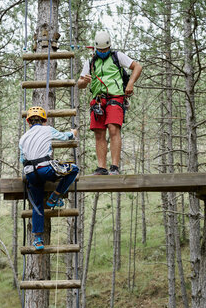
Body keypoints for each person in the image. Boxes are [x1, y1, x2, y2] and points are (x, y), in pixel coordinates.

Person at [77, 30, 143, 175]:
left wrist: (130, 84)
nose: (102, 52)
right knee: (99, 133)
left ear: (109, 47)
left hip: (115, 97)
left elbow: (137, 66)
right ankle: (102, 167)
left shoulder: (117, 56)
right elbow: (80, 84)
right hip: (98, 100)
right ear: (95, 48)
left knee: (114, 129)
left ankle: (114, 167)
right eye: (100, 50)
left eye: (105, 49)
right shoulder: (91, 62)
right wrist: (84, 81)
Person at [19, 106, 79, 250]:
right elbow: (64, 137)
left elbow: (22, 159)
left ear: (29, 122)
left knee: (37, 205)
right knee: (74, 169)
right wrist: (72, 133)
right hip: (44, 169)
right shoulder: (47, 129)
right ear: (44, 120)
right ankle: (54, 197)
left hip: (30, 173)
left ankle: (38, 240)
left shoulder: (23, 137)